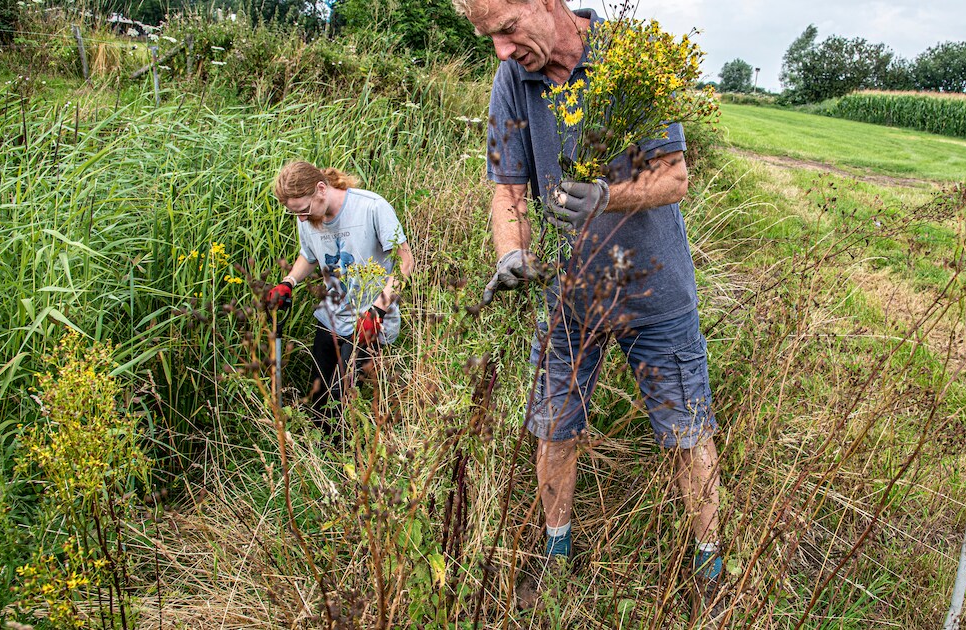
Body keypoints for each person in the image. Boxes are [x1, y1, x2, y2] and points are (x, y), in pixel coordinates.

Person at [455, 0, 725, 615]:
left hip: (655, 292)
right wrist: (511, 253)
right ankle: (556, 558)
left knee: (686, 431)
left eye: (507, 29)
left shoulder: (632, 59)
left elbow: (674, 177)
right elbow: (508, 189)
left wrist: (607, 194)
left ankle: (711, 571)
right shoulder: (513, 79)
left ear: (545, 4)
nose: (501, 49)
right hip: (567, 297)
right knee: (554, 426)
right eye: (489, 36)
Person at [268, 160, 414, 415]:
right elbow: (309, 257)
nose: (301, 218)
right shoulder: (306, 217)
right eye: (295, 213)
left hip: (369, 320)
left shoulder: (371, 207)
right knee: (318, 399)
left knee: (343, 402)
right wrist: (288, 282)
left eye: (303, 210)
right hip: (332, 315)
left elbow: (406, 262)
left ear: (321, 189)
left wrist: (378, 310)